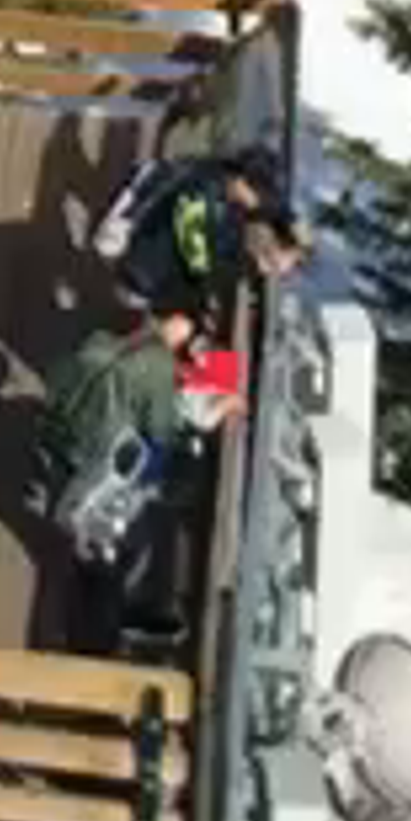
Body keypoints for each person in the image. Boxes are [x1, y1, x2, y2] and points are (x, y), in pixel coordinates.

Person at [37, 297, 228, 653]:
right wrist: (221, 402)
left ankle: (86, 604)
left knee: (81, 520)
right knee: (106, 539)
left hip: (63, 434)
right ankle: (91, 629)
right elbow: (164, 430)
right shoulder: (157, 367)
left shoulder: (109, 339)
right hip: (95, 454)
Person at [103, 133, 305, 338]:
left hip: (163, 264)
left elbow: (273, 209)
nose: (260, 202)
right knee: (191, 325)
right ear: (243, 181)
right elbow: (199, 266)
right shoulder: (199, 194)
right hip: (140, 273)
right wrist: (258, 263)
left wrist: (294, 235)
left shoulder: (224, 180)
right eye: (260, 193)